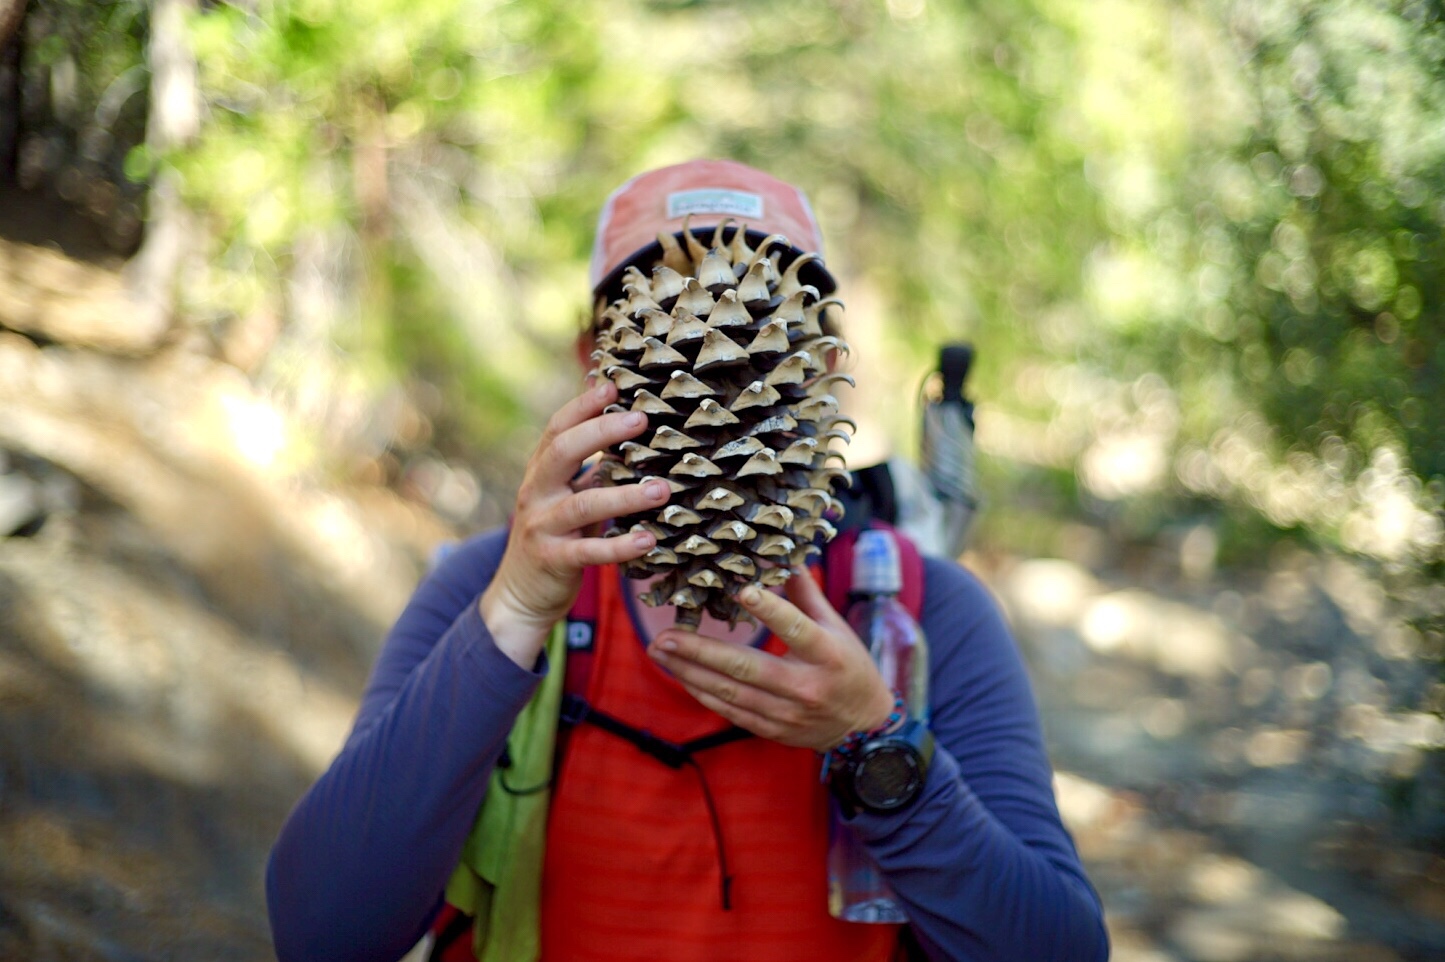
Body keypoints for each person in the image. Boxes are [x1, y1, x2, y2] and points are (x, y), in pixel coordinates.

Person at [266, 160, 1110, 962]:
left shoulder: (921, 612)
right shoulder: (486, 593)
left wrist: (871, 740)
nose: (719, 349)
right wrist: (515, 615)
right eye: (668, 312)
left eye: (759, 318)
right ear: (592, 361)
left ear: (819, 367)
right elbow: (320, 934)